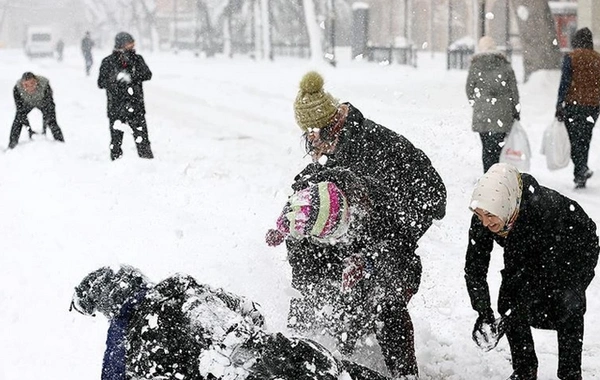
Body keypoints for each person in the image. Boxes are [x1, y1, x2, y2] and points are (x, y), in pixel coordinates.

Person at [70, 264, 392, 380]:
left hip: (243, 372)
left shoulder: (131, 349)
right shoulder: (181, 285)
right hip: (285, 353)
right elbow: (253, 312)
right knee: (337, 370)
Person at [266, 168, 424, 380]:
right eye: (335, 235)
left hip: (385, 264)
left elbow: (403, 251)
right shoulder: (301, 221)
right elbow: (303, 286)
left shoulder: (377, 202)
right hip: (331, 261)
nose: (342, 238)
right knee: (325, 310)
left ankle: (405, 375)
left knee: (385, 304)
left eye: (342, 231)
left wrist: (367, 261)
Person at [464, 163, 599, 380]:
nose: (485, 222)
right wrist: (483, 312)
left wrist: (571, 286)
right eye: (479, 215)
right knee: (509, 302)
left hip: (573, 247)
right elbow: (474, 268)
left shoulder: (542, 209)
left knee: (567, 305)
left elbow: (529, 271)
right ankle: (525, 370)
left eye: (489, 215)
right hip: (531, 249)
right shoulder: (487, 213)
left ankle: (570, 373)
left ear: (505, 205)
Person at [466, 36, 521, 173]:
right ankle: (496, 175)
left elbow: (469, 89)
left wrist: (477, 103)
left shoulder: (476, 65)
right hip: (503, 113)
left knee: (486, 148)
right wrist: (516, 109)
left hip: (482, 114)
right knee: (498, 148)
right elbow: (514, 91)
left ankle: (488, 174)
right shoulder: (505, 65)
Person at [555, 27, 600, 189]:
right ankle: (582, 169)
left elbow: (564, 83)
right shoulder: (597, 59)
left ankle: (580, 170)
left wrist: (559, 104)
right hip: (593, 107)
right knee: (585, 138)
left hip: (573, 105)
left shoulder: (571, 58)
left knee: (574, 139)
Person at [98, 32, 154, 160]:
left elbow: (147, 74)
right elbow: (101, 83)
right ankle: (117, 166)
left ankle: (148, 165)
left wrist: (131, 77)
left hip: (136, 106)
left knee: (142, 140)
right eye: (129, 43)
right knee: (116, 141)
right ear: (121, 44)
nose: (132, 45)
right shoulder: (108, 62)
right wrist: (115, 79)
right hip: (116, 108)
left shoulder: (137, 59)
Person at [8, 72, 65, 149]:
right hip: (26, 103)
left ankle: (60, 142)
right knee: (18, 120)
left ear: (36, 81)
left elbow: (49, 106)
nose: (30, 87)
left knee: (51, 120)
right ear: (22, 84)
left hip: (43, 102)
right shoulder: (17, 89)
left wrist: (44, 128)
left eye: (32, 83)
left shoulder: (45, 85)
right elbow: (20, 111)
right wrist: (29, 130)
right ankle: (12, 145)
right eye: (26, 85)